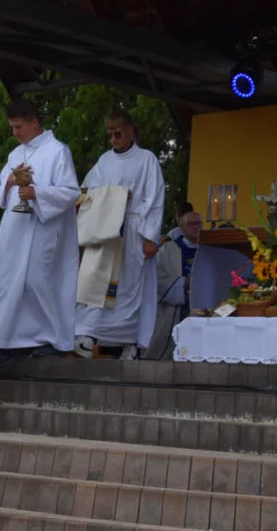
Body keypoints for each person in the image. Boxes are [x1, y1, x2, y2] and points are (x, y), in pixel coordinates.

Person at [0, 98, 81, 373]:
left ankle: (51, 339)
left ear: (35, 122)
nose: (15, 133)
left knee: (37, 282)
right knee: (8, 283)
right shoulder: (14, 155)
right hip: (15, 230)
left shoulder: (58, 151)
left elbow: (70, 192)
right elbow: (0, 196)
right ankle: (2, 340)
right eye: (12, 127)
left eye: (19, 126)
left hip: (43, 230)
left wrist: (37, 193)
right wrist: (10, 182)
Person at [74, 109, 166, 360]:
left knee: (132, 288)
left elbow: (155, 198)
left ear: (130, 131)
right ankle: (88, 333)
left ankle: (132, 342)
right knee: (98, 282)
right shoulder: (104, 161)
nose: (114, 139)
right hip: (108, 231)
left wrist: (150, 237)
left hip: (135, 230)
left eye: (118, 134)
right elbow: (93, 193)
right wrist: (114, 197)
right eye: (110, 135)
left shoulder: (147, 160)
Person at [145, 210, 202, 360]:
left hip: (201, 308)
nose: (196, 228)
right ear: (181, 228)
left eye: (199, 224)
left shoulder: (208, 250)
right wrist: (183, 283)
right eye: (191, 224)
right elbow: (156, 277)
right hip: (175, 308)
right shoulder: (167, 250)